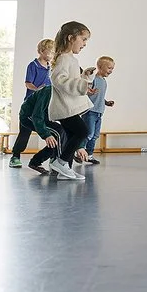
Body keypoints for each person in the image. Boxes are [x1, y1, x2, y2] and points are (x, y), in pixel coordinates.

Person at [48, 21, 96, 180]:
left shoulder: (70, 59)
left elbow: (71, 80)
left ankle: (64, 170)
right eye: (83, 39)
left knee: (71, 135)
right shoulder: (64, 58)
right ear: (71, 38)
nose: (84, 44)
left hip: (67, 106)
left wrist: (84, 78)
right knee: (83, 131)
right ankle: (60, 163)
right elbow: (59, 80)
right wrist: (82, 84)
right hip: (64, 108)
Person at [8, 85, 70, 170]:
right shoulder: (48, 91)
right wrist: (46, 134)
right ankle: (15, 156)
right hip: (28, 115)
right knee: (24, 134)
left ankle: (37, 161)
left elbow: (70, 121)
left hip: (43, 116)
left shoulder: (69, 94)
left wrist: (79, 146)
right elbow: (37, 115)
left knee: (60, 134)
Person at [79, 56, 115, 165]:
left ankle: (89, 155)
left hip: (99, 112)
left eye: (112, 68)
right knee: (88, 133)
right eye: (109, 68)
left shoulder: (104, 81)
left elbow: (99, 96)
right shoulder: (93, 79)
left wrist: (106, 102)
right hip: (90, 111)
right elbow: (85, 92)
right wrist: (89, 92)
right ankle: (79, 151)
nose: (111, 71)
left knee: (95, 135)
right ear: (100, 67)